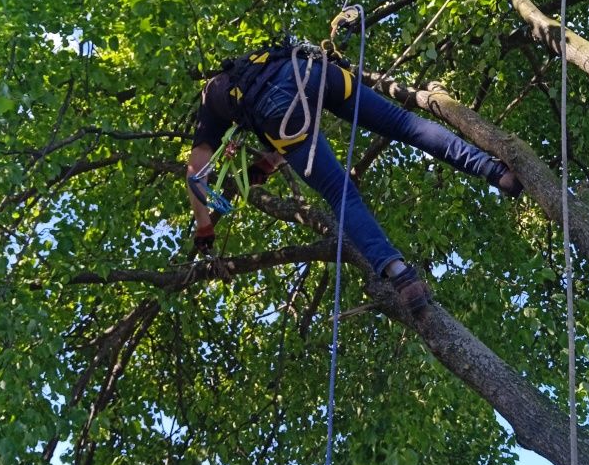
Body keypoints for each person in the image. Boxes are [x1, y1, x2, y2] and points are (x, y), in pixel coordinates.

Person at [187, 38, 522, 313]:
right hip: (312, 73)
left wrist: (204, 227)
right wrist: (266, 165)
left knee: (339, 193)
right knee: (405, 125)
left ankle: (401, 277)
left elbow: (196, 171)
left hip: (278, 114)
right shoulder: (259, 59)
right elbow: (292, 116)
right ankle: (492, 169)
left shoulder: (212, 95)